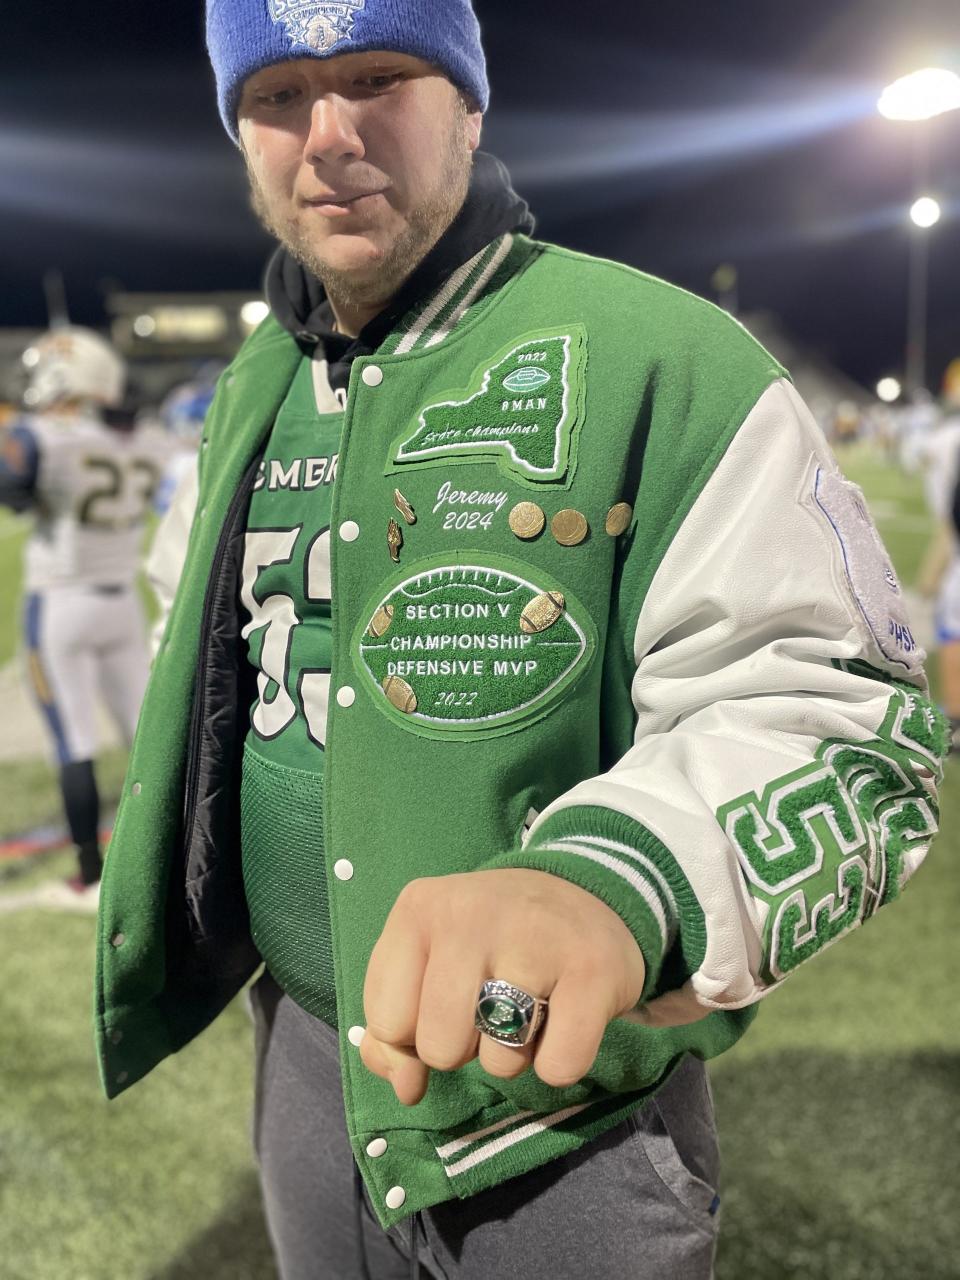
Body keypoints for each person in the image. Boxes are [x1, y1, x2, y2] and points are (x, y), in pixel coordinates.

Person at [94, 4, 947, 1277]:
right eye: (277, 99)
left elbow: (846, 717)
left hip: (559, 1118)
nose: (329, 136)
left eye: (379, 76)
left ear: (470, 103)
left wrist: (604, 881)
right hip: (299, 1064)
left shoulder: (665, 354)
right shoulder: (255, 383)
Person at [0, 327, 169, 902]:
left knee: (73, 741)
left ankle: (90, 875)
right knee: (146, 740)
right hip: (123, 603)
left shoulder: (43, 435)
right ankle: (168, 856)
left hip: (60, 607)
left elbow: (13, 485)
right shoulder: (149, 440)